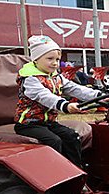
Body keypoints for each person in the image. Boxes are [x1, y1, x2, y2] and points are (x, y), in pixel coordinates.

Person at [14, 35, 103, 168]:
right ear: (36, 59)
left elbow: (75, 88)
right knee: (53, 141)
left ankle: (76, 170)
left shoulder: (56, 77)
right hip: (29, 124)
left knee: (72, 136)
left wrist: (99, 95)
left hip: (49, 122)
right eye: (50, 59)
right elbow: (44, 96)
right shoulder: (30, 79)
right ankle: (56, 173)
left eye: (57, 59)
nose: (55, 63)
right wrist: (64, 105)